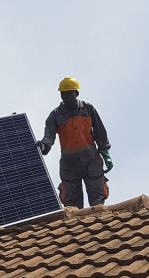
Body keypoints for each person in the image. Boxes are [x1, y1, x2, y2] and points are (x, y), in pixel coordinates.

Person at [37, 77, 113, 209]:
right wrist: (43, 145)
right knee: (72, 204)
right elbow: (49, 137)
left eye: (68, 93)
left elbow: (100, 131)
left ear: (76, 93)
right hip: (69, 164)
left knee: (98, 200)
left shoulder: (88, 109)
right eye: (62, 93)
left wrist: (105, 152)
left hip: (91, 160)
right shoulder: (55, 115)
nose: (65, 96)